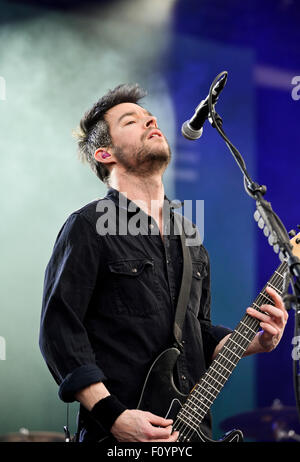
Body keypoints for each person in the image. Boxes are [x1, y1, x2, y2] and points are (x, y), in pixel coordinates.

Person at [39, 84, 288, 443]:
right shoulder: (89, 225)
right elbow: (59, 331)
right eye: (131, 120)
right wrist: (114, 417)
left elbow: (197, 333)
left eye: (149, 116)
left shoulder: (189, 235)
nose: (150, 120)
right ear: (105, 153)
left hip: (191, 433)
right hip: (118, 436)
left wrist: (255, 342)